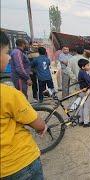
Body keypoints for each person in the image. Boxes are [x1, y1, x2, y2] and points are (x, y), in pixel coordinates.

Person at [0, 30, 47, 180]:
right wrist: (27, 77)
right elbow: (39, 125)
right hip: (19, 162)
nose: (8, 57)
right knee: (23, 102)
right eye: (5, 52)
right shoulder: (8, 93)